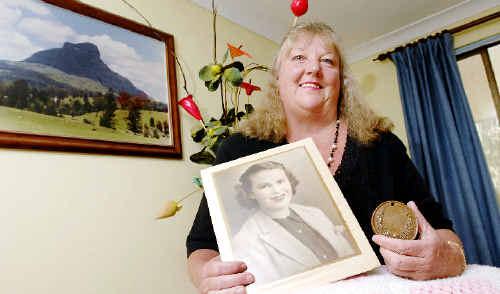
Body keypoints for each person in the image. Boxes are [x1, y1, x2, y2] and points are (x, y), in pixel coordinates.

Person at [186, 22, 466, 294]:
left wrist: (448, 257)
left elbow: (443, 231)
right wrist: (207, 278)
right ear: (277, 78)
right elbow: (201, 246)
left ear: (341, 81)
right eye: (298, 58)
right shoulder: (237, 149)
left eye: (328, 61)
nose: (313, 69)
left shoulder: (383, 146)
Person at [232, 161, 355, 284]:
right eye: (265, 186)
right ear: (251, 194)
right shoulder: (246, 239)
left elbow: (349, 257)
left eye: (280, 182)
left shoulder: (315, 213)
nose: (276, 190)